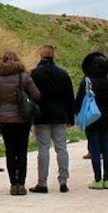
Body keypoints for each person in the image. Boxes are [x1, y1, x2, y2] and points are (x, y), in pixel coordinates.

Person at [0, 50, 41, 196]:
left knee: (10, 152)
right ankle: (21, 184)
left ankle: (13, 184)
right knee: (22, 151)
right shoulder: (24, 77)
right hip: (22, 118)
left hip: (4, 119)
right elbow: (36, 95)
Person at [29, 44, 75, 193]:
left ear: (41, 56)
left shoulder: (35, 73)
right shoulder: (62, 73)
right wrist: (70, 117)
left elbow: (31, 95)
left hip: (42, 116)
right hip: (60, 115)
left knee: (43, 149)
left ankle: (42, 183)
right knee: (61, 148)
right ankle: (63, 180)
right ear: (54, 55)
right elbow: (69, 97)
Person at [75, 52, 108, 190]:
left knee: (94, 148)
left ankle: (97, 179)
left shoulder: (87, 82)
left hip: (91, 118)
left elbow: (79, 102)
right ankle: (107, 179)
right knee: (106, 147)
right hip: (106, 118)